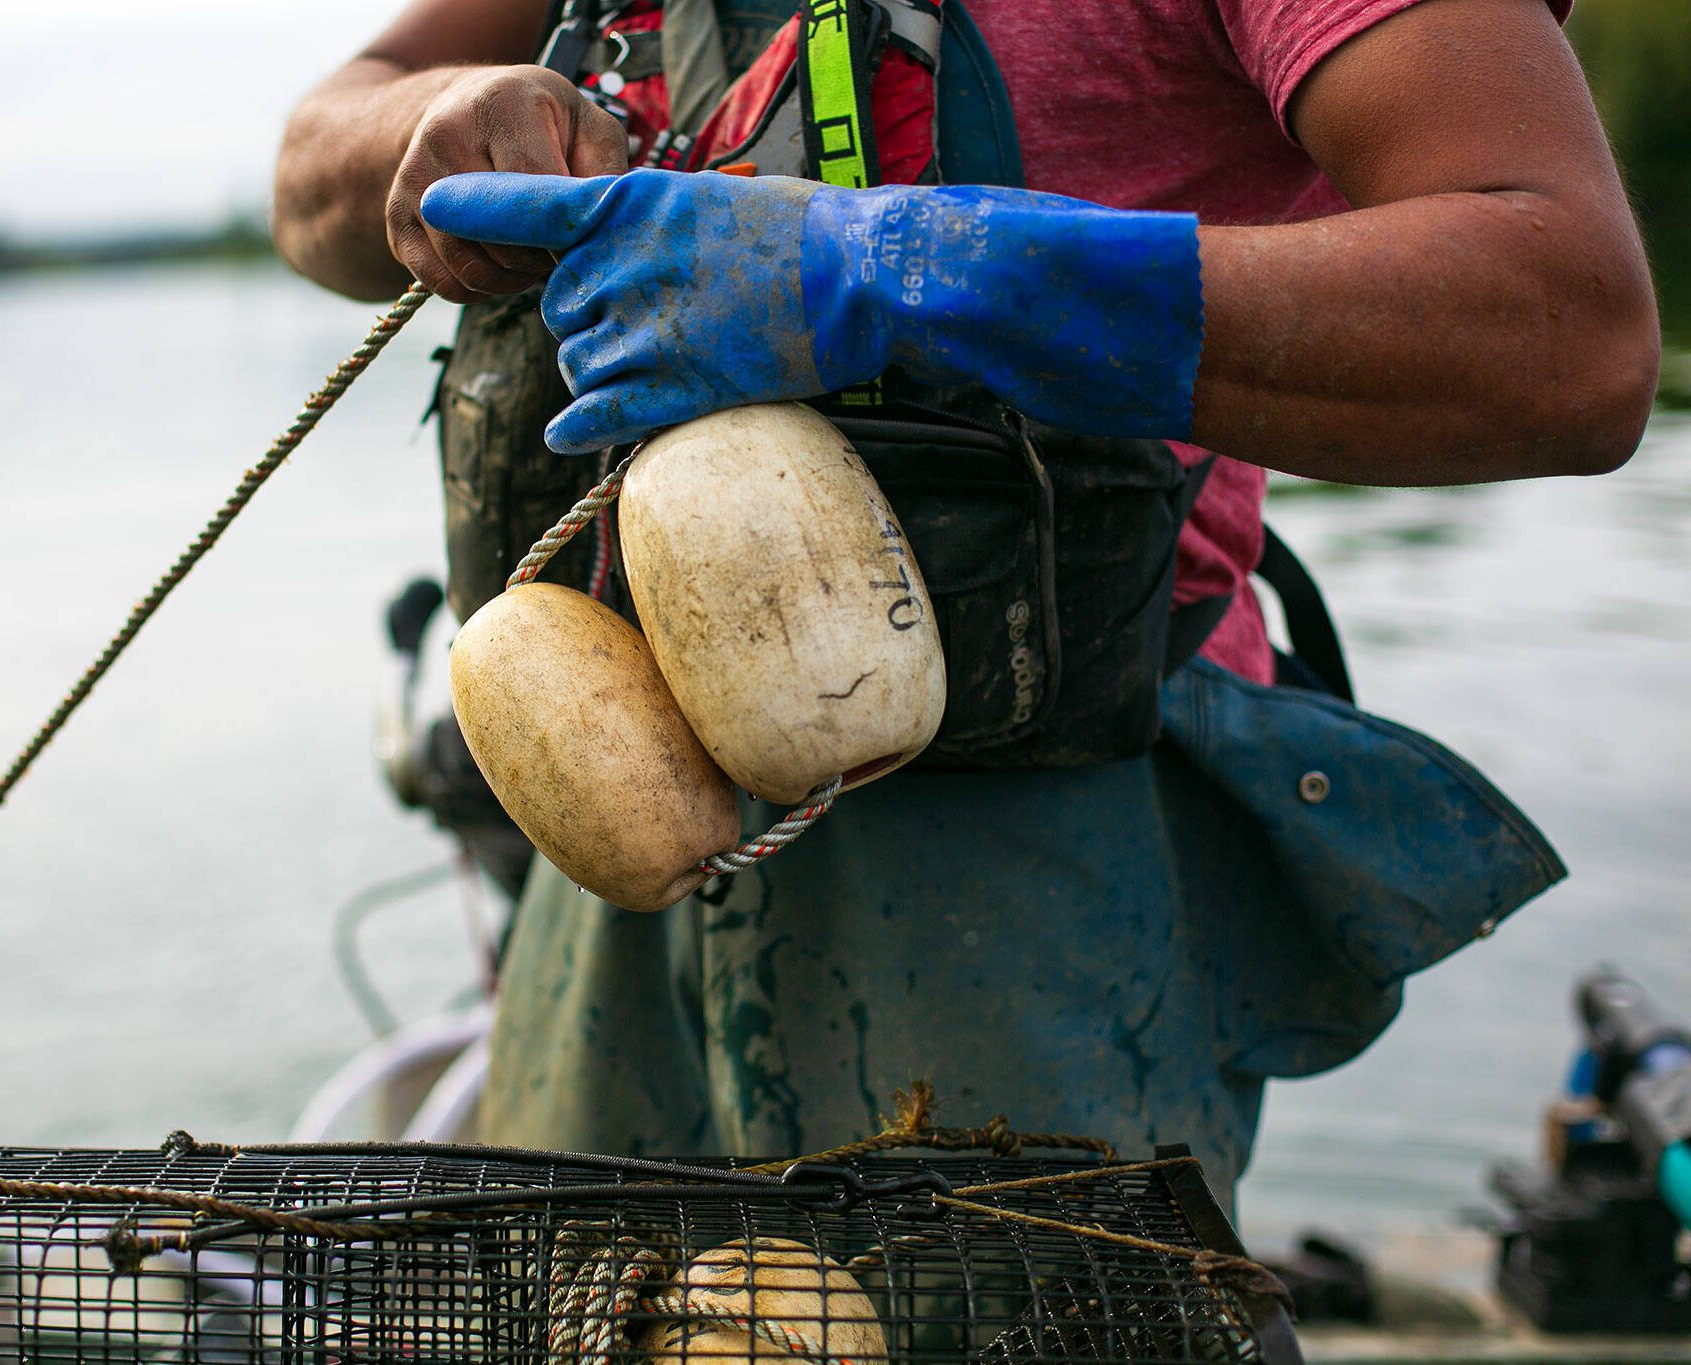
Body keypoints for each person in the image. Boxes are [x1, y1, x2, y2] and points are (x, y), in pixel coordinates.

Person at [270, 0, 1658, 1205]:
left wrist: (901, 270)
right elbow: (311, 173)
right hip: (613, 809)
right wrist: (441, 129)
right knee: (601, 1308)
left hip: (1044, 841)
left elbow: (1571, 326)